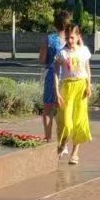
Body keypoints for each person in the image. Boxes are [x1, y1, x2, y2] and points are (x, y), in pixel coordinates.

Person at [55, 25, 93, 165]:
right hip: (67, 87)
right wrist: (57, 91)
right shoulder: (62, 53)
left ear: (78, 37)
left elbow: (87, 69)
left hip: (81, 87)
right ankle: (62, 144)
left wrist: (89, 85)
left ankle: (75, 153)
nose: (69, 40)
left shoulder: (84, 51)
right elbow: (56, 72)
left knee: (79, 121)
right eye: (67, 38)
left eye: (72, 37)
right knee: (66, 122)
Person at [39, 9, 72, 142]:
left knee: (48, 109)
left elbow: (42, 59)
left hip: (52, 75)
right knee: (64, 111)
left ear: (55, 23)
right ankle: (63, 142)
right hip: (68, 76)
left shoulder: (49, 39)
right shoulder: (72, 39)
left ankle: (48, 138)